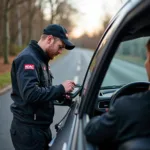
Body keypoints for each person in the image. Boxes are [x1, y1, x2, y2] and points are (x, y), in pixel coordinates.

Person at [10, 24, 75, 150]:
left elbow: (42, 91)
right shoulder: (28, 58)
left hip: (39, 129)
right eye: (60, 47)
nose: (60, 51)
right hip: (29, 132)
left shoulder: (40, 59)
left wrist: (61, 95)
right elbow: (30, 94)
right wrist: (60, 88)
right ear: (49, 39)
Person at [84, 39, 150, 149]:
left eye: (147, 57)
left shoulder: (125, 107)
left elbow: (91, 131)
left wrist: (110, 114)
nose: (145, 63)